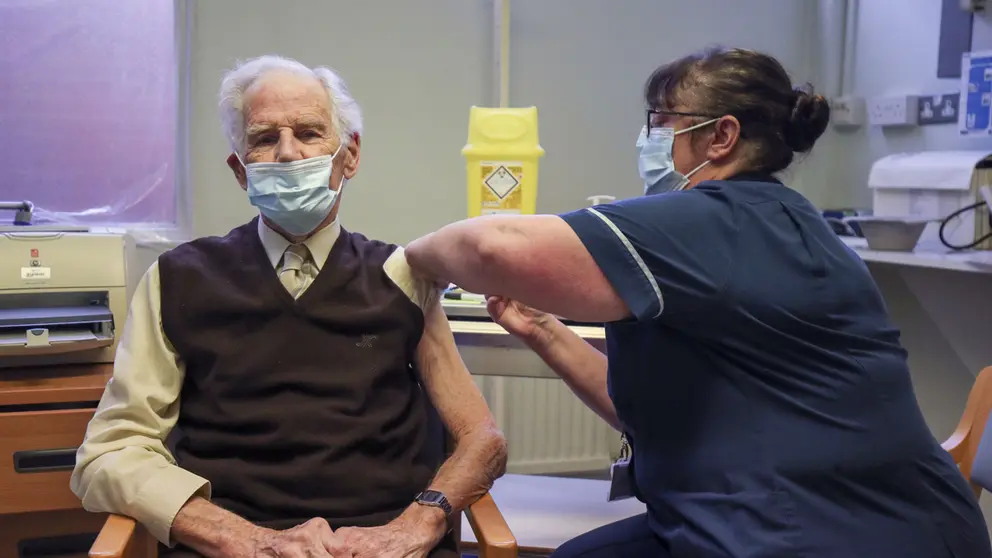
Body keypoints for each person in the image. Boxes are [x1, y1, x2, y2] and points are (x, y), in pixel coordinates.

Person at [404, 47, 992, 557]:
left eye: (661, 121)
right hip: (839, 512)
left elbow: (493, 245)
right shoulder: (783, 221)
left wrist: (410, 261)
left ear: (721, 136)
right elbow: (659, 410)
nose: (649, 136)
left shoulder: (715, 221)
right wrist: (542, 329)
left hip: (829, 530)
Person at [71, 55, 507, 558]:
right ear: (240, 170)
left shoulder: (403, 276)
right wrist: (243, 539)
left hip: (383, 545)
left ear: (350, 156)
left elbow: (482, 437)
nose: (288, 153)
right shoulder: (177, 280)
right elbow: (111, 451)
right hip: (232, 545)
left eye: (308, 132)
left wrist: (416, 526)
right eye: (263, 139)